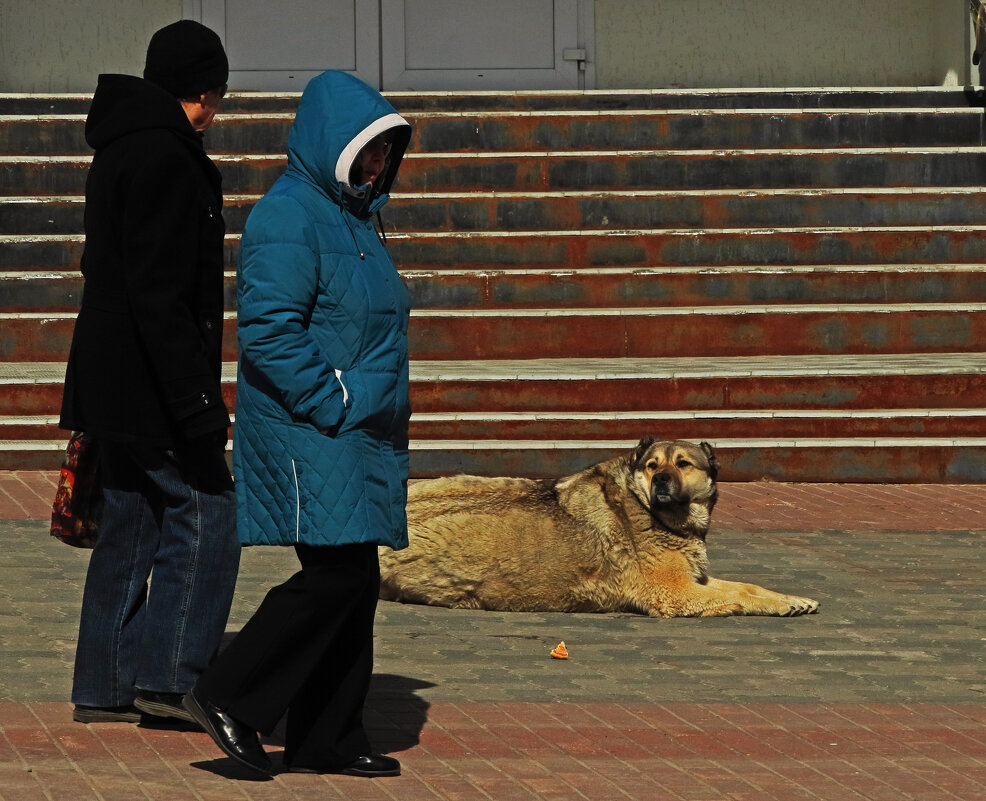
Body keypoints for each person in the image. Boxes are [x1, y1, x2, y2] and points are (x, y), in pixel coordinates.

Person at [182, 70, 412, 778]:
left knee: (355, 575)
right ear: (329, 144)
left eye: (384, 154)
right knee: (337, 578)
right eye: (365, 151)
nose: (376, 166)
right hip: (315, 426)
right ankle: (228, 694)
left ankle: (328, 736)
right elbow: (270, 330)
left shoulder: (353, 218)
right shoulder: (289, 214)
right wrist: (334, 398)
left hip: (354, 426)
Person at [60, 20, 240, 725]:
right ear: (198, 93)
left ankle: (104, 680)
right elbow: (160, 295)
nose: (214, 114)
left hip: (109, 378)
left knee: (132, 518)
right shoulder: (169, 157)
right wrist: (197, 402)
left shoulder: (119, 148)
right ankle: (169, 674)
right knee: (208, 509)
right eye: (213, 98)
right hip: (152, 380)